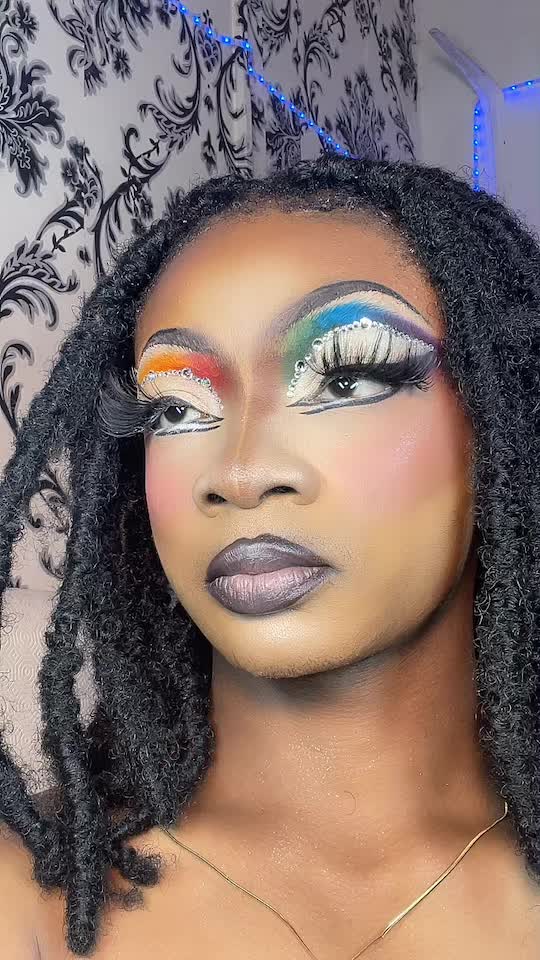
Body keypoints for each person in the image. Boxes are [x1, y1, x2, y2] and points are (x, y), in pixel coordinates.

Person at [0, 154, 539, 959]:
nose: (241, 473)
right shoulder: (30, 893)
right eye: (176, 406)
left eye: (348, 378)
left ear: (504, 422)